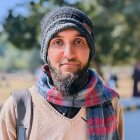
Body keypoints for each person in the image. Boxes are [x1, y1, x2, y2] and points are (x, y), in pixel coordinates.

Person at [0, 7, 124, 140]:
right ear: (46, 53)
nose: (69, 54)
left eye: (79, 41)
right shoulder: (17, 109)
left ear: (90, 51)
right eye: (58, 42)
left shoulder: (110, 103)